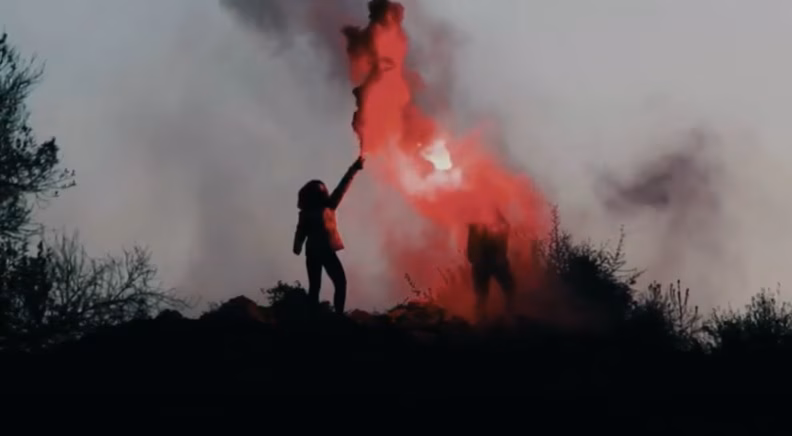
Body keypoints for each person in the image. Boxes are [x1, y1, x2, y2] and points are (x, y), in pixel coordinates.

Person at [293, 156, 365, 315]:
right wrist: (354, 168)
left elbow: (299, 235)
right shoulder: (329, 207)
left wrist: (297, 247)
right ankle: (337, 315)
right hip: (325, 251)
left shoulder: (307, 213)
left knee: (315, 286)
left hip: (312, 252)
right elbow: (343, 186)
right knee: (340, 283)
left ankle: (314, 317)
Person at [466, 208, 516, 322]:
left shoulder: (478, 224)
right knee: (483, 295)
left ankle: (506, 317)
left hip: (490, 263)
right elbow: (471, 252)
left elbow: (471, 253)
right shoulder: (475, 226)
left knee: (506, 289)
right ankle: (483, 321)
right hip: (485, 263)